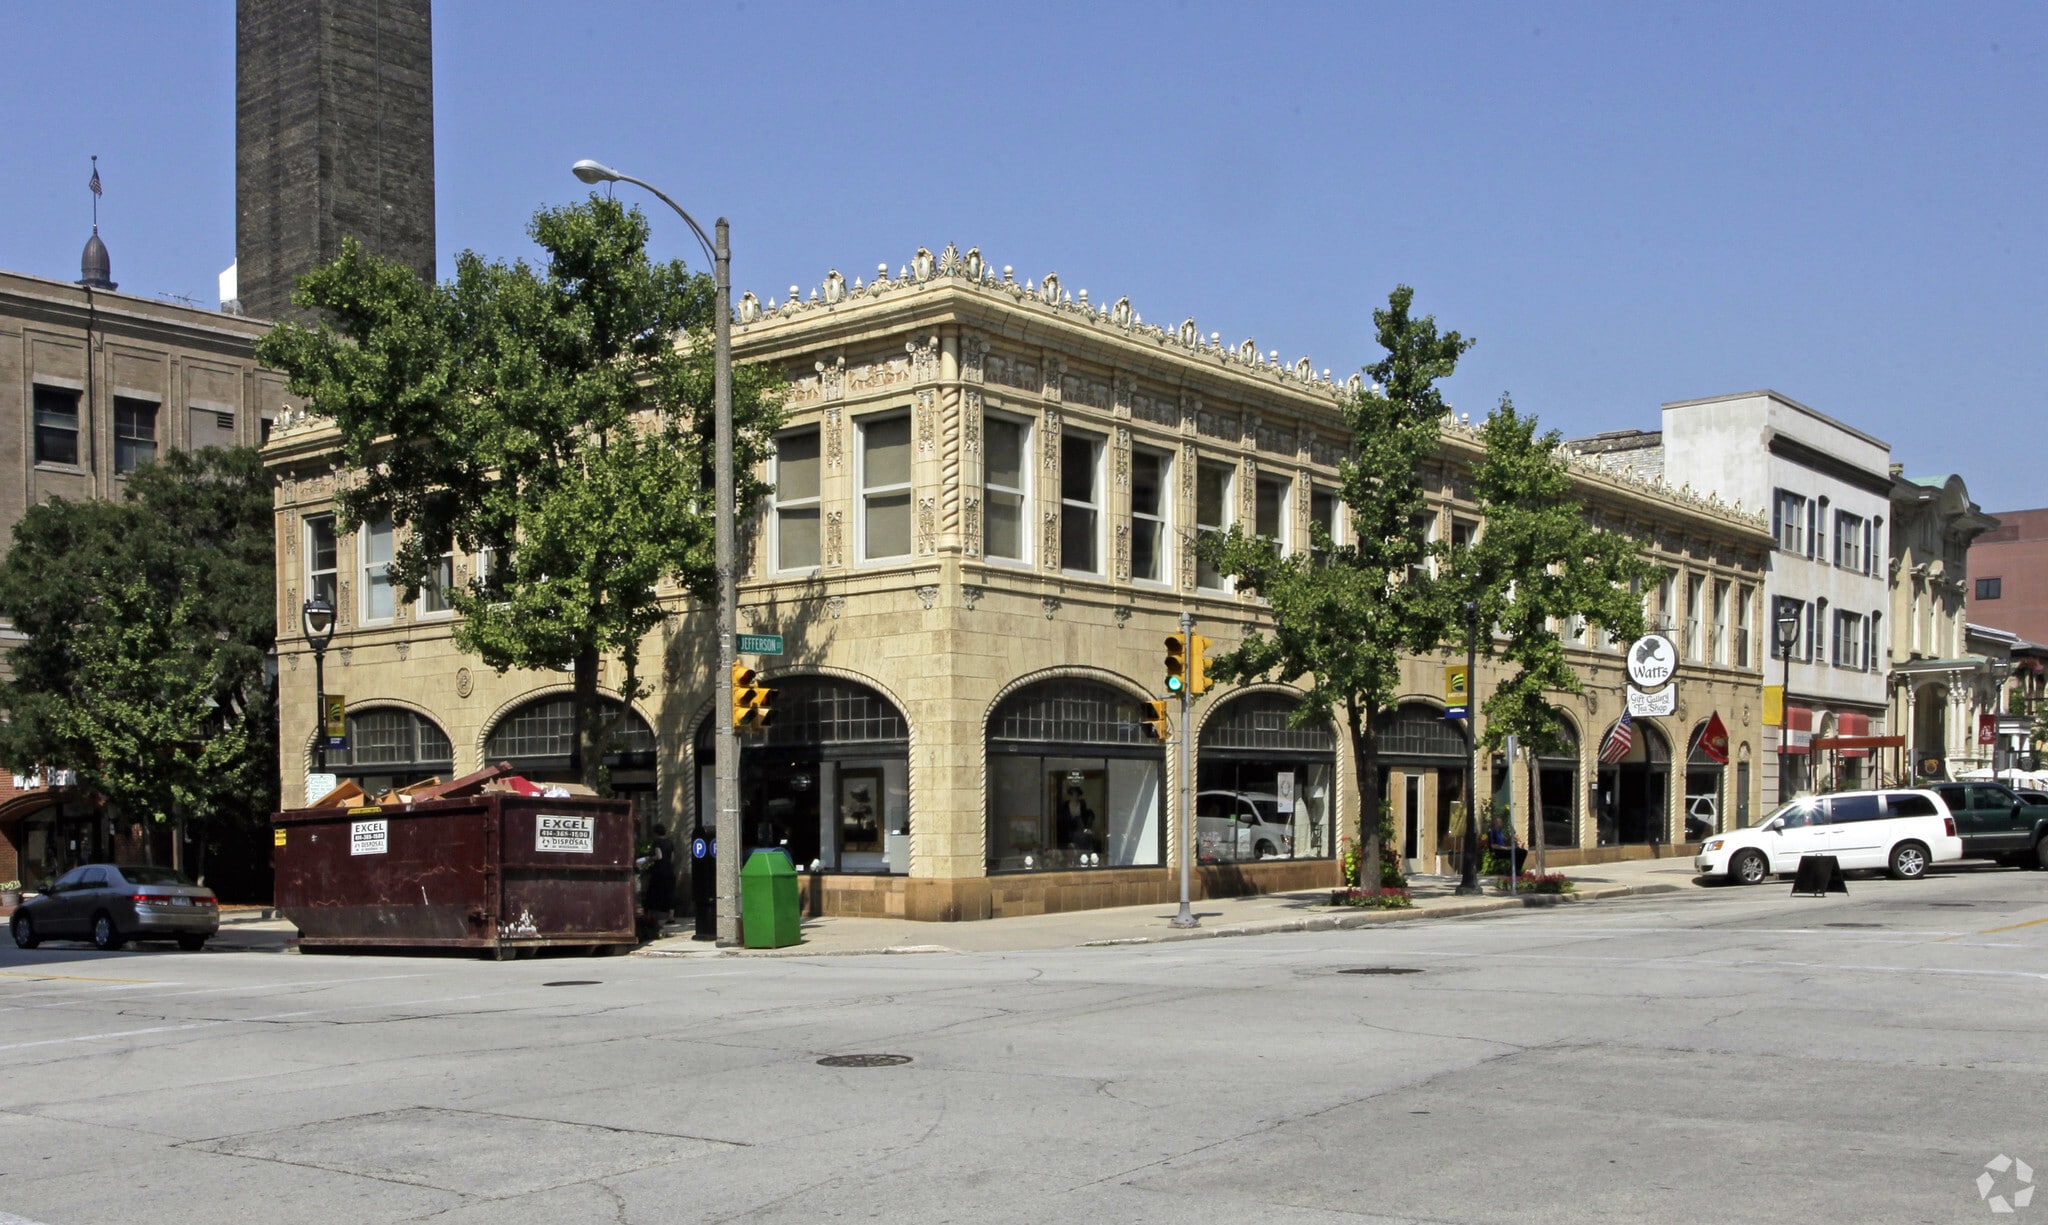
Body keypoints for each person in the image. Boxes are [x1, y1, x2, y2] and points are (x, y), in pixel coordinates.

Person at [643, 822, 678, 925]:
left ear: (655, 832)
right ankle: (671, 917)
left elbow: (659, 856)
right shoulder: (670, 842)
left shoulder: (657, 842)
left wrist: (648, 859)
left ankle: (649, 916)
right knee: (670, 894)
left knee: (652, 892)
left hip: (659, 871)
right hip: (669, 871)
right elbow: (672, 858)